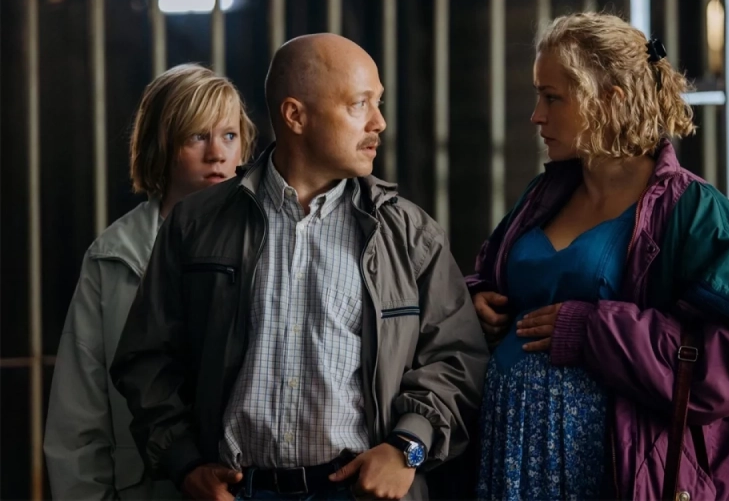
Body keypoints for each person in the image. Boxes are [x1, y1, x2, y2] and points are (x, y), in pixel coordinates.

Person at [110, 33, 489, 501]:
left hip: (360, 493)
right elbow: (147, 359)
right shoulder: (195, 225)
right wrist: (184, 464)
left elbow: (457, 359)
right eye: (360, 104)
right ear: (295, 116)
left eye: (379, 103)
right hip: (238, 491)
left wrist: (405, 447)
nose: (379, 122)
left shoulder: (410, 235)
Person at [467, 12, 729, 501]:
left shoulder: (694, 210)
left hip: (617, 475)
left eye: (552, 97)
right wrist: (477, 301)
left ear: (610, 100)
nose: (536, 115)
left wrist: (594, 330)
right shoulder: (543, 195)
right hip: (509, 462)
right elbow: (489, 275)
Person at [44, 63, 257, 500]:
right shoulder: (113, 257)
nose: (217, 154)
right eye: (197, 136)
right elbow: (78, 413)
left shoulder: (270, 241)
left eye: (229, 135)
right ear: (161, 144)